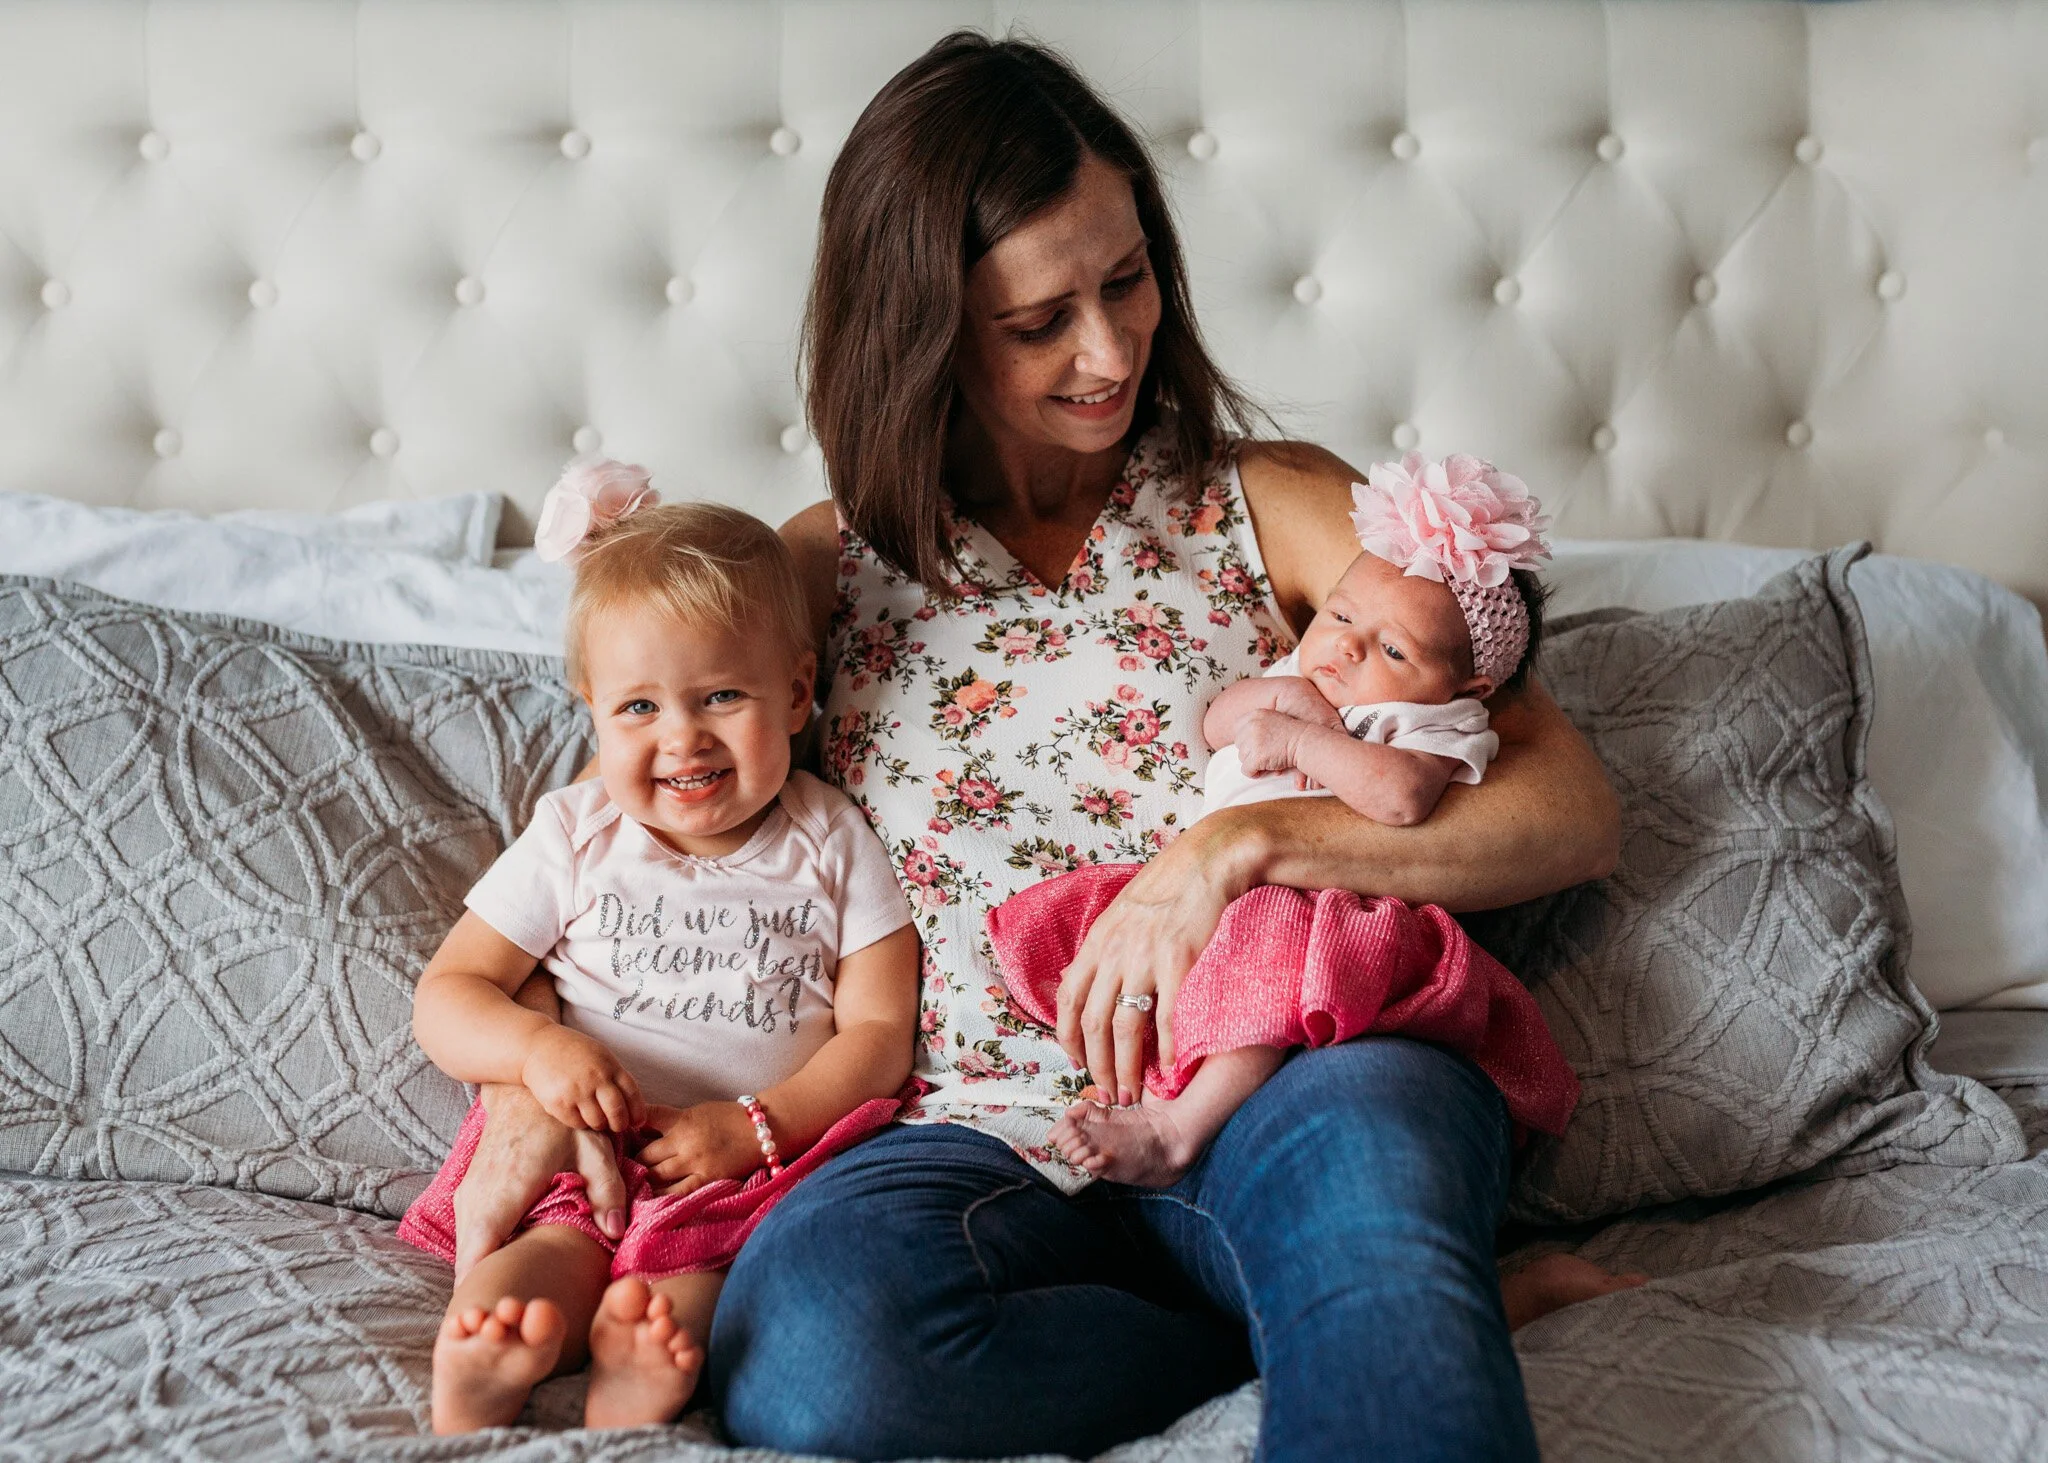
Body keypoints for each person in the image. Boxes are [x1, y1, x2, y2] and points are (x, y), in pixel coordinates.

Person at [449, 32, 1630, 1461]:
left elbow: (1569, 806)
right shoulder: (819, 572)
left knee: (1367, 1212)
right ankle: (1315, 1321)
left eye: (1127, 281)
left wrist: (1235, 848)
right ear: (924, 328)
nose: (1110, 350)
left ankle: (1365, 1293)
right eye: (1038, 320)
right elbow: (609, 843)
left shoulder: (1270, 502)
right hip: (968, 1141)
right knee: (809, 1360)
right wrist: (524, 1077)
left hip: (1284, 1067)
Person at [400, 473, 919, 1434]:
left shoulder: (832, 837)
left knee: (692, 1293)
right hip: (583, 1148)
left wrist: (757, 1127)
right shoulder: (576, 832)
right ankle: (490, 1352)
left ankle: (634, 1378)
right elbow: (451, 991)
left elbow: (881, 1032)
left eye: (721, 695)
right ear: (591, 709)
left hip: (739, 1169)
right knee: (547, 1257)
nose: (683, 737)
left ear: (796, 691)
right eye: (638, 707)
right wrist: (539, 1052)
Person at [996, 452, 1579, 1189]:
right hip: (1205, 891)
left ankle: (1179, 1129)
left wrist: (1307, 743)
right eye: (1341, 615)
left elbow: (1402, 798)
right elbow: (1218, 725)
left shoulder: (1433, 724)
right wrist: (1281, 703)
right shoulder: (1302, 676)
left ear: (1470, 687)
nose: (1348, 646)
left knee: (1263, 976)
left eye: (1393, 649)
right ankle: (1107, 1076)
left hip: (1312, 905)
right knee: (1093, 930)